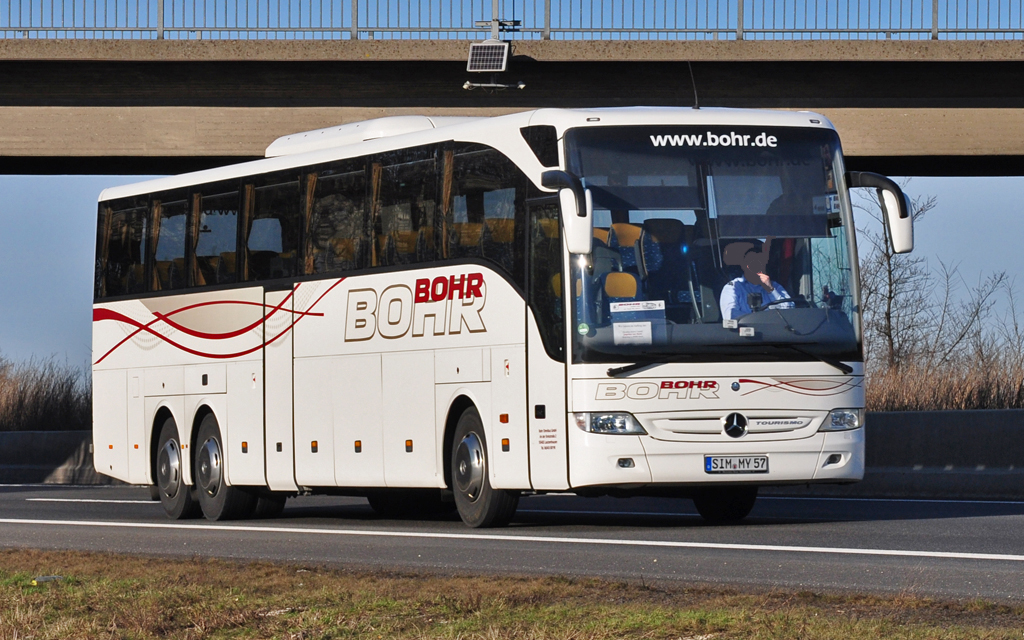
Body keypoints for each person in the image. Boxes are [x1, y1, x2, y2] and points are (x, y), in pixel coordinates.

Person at [719, 237, 793, 320]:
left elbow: (791, 312)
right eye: (752, 262)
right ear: (744, 266)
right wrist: (762, 320)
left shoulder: (774, 286)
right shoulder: (733, 287)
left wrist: (771, 290)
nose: (756, 266)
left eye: (760, 262)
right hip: (746, 328)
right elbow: (730, 316)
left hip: (777, 328)